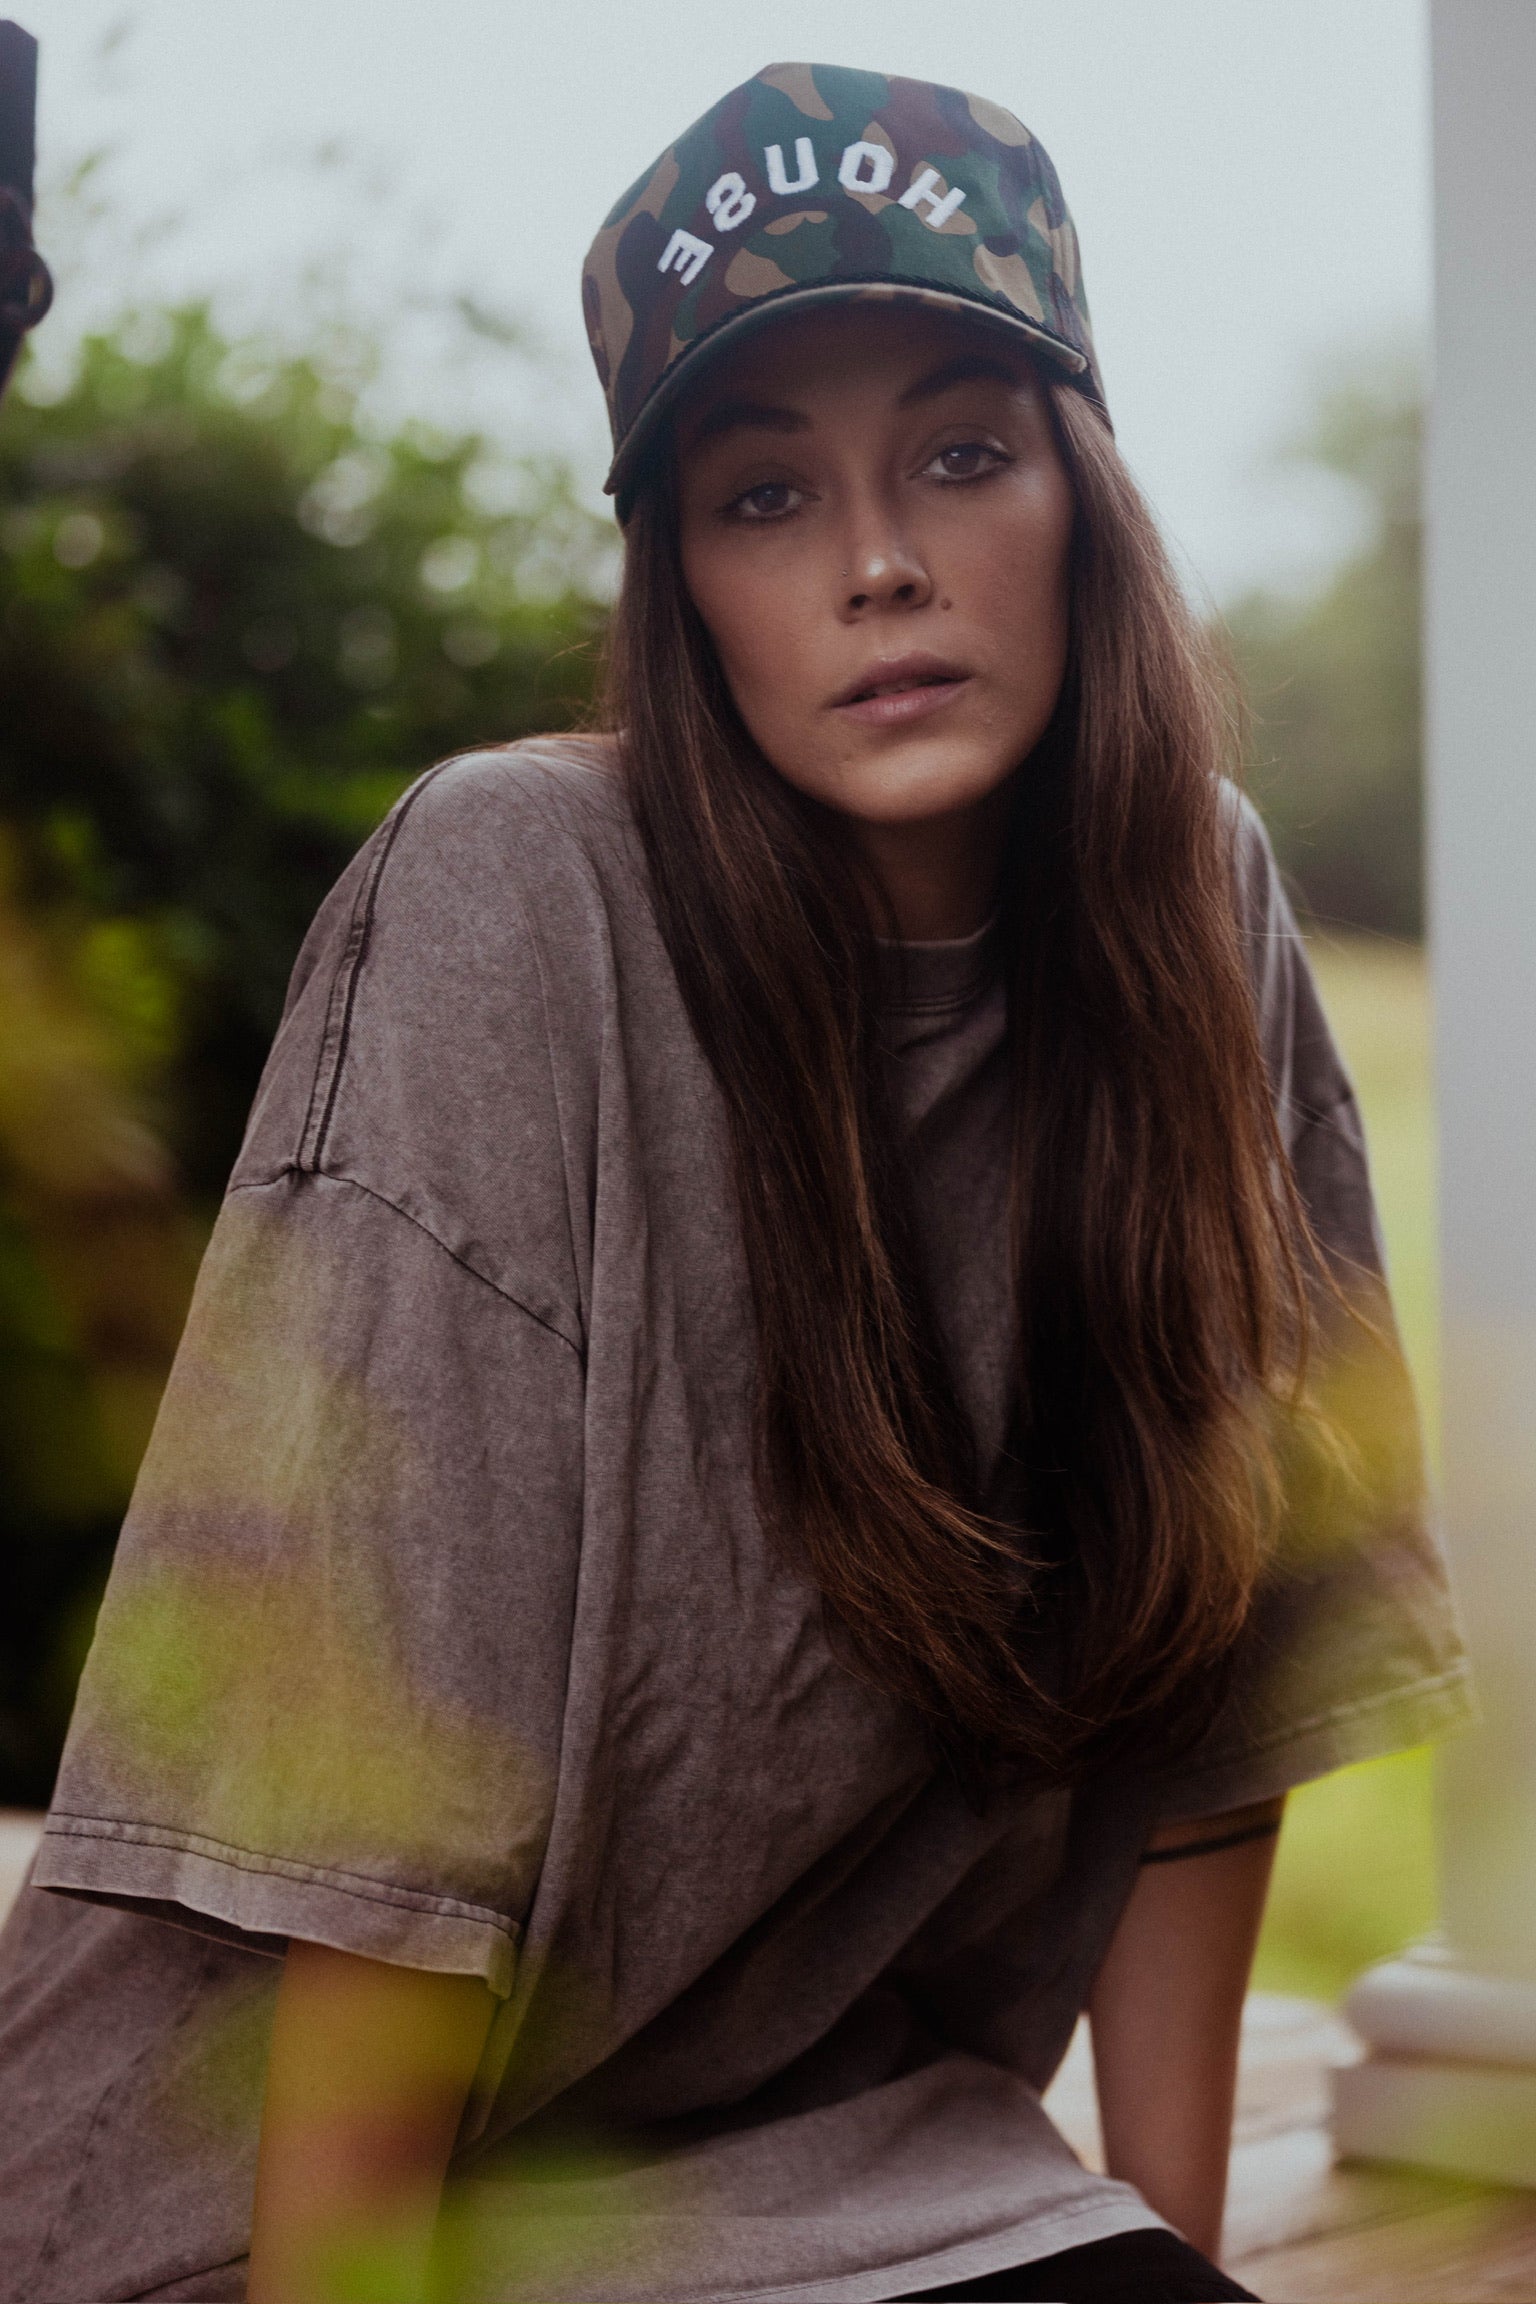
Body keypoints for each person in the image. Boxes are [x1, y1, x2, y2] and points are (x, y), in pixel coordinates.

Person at [0, 62, 1468, 2304]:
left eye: (960, 457)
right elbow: (374, 1811)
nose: (879, 562)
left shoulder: (1198, 909)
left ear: (1083, 494)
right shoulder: (518, 895)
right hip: (261, 2214)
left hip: (844, 2172)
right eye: (763, 493)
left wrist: (1175, 2258)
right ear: (679, 585)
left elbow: (1214, 1681)